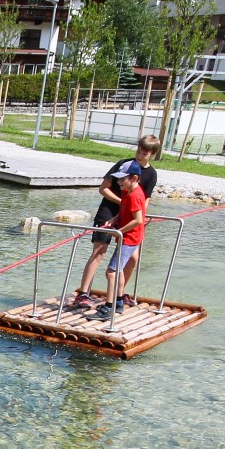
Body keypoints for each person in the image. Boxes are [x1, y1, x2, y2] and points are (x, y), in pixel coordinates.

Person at [71, 135, 161, 309]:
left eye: (144, 154)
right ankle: (83, 293)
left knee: (133, 257)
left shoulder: (151, 174)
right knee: (99, 251)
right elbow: (103, 188)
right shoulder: (124, 164)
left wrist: (137, 214)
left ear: (152, 154)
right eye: (138, 152)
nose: (140, 156)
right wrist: (123, 204)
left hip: (129, 214)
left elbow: (145, 200)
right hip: (109, 210)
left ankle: (119, 293)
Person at [92, 161, 147, 322]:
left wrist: (119, 231)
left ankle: (108, 308)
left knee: (111, 272)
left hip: (129, 239)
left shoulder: (135, 196)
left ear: (134, 178)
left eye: (122, 179)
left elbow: (138, 220)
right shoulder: (127, 191)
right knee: (119, 270)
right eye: (118, 179)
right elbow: (125, 212)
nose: (119, 182)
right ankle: (119, 301)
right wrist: (114, 219)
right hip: (126, 237)